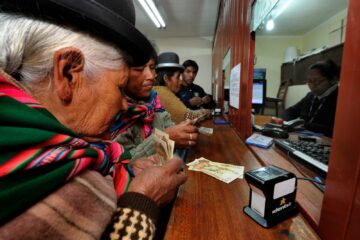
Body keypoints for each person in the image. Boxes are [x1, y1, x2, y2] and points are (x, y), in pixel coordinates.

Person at [0, 1, 186, 239]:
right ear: (69, 74)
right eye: (119, 87)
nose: (123, 104)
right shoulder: (69, 192)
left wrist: (128, 168)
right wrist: (141, 202)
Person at [111, 52, 199, 161]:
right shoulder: (115, 112)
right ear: (123, 72)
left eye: (152, 68)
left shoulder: (154, 102)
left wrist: (177, 135)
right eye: (140, 68)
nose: (152, 76)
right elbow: (119, 165)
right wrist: (165, 138)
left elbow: (166, 152)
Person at [281, 60, 340, 137]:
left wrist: (303, 125)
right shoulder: (310, 96)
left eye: (317, 81)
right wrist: (285, 121)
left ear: (333, 80)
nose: (312, 85)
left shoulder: (340, 98)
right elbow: (290, 111)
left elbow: (334, 129)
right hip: (303, 137)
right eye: (309, 81)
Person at [153, 52, 211, 124]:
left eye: (194, 72)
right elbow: (188, 116)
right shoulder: (163, 93)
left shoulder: (156, 91)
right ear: (166, 79)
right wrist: (207, 112)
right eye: (177, 77)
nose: (180, 82)